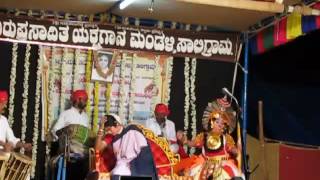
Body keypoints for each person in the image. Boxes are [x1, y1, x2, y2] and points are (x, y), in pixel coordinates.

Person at [174, 97, 243, 180]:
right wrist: (183, 138)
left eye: (222, 123)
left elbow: (233, 150)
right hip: (205, 166)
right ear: (211, 122)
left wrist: (238, 149)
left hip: (223, 165)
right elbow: (191, 143)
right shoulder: (204, 136)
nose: (220, 125)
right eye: (217, 122)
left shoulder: (226, 138)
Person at [103, 114, 158, 180]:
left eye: (109, 129)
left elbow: (141, 148)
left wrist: (128, 163)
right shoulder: (114, 139)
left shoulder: (131, 130)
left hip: (140, 161)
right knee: (117, 172)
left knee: (119, 171)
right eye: (107, 131)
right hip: (126, 163)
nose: (109, 132)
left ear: (117, 124)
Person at [50, 89, 90, 180]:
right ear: (77, 100)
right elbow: (54, 131)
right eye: (84, 99)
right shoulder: (66, 114)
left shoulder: (85, 117)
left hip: (83, 153)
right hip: (68, 151)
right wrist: (65, 132)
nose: (85, 102)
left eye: (86, 100)